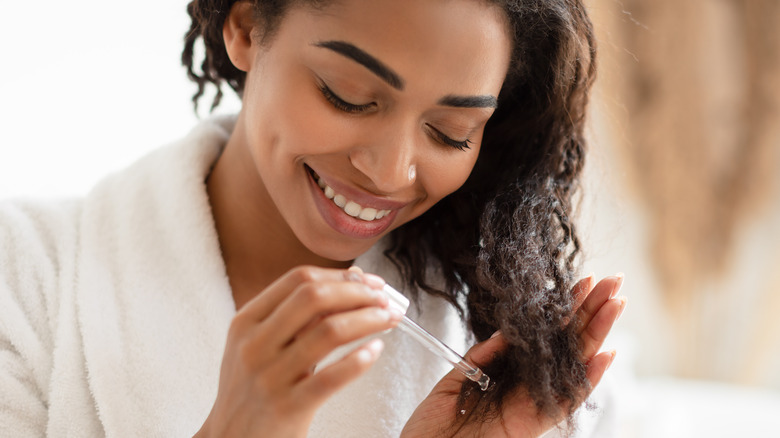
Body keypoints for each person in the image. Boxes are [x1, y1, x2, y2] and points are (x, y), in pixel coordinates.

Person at [0, 0, 626, 436]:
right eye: (348, 96)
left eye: (450, 132)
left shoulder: (516, 352)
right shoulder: (27, 279)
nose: (389, 172)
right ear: (246, 26)